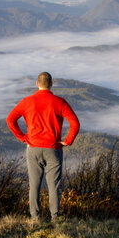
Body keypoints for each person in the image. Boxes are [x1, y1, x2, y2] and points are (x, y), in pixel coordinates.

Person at [6, 72, 80, 221]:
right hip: (53, 148)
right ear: (51, 84)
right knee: (54, 186)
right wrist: (68, 140)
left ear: (37, 83)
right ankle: (55, 217)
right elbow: (75, 123)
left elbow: (10, 119)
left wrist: (22, 137)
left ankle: (35, 217)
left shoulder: (27, 101)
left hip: (33, 148)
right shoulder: (59, 102)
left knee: (34, 184)